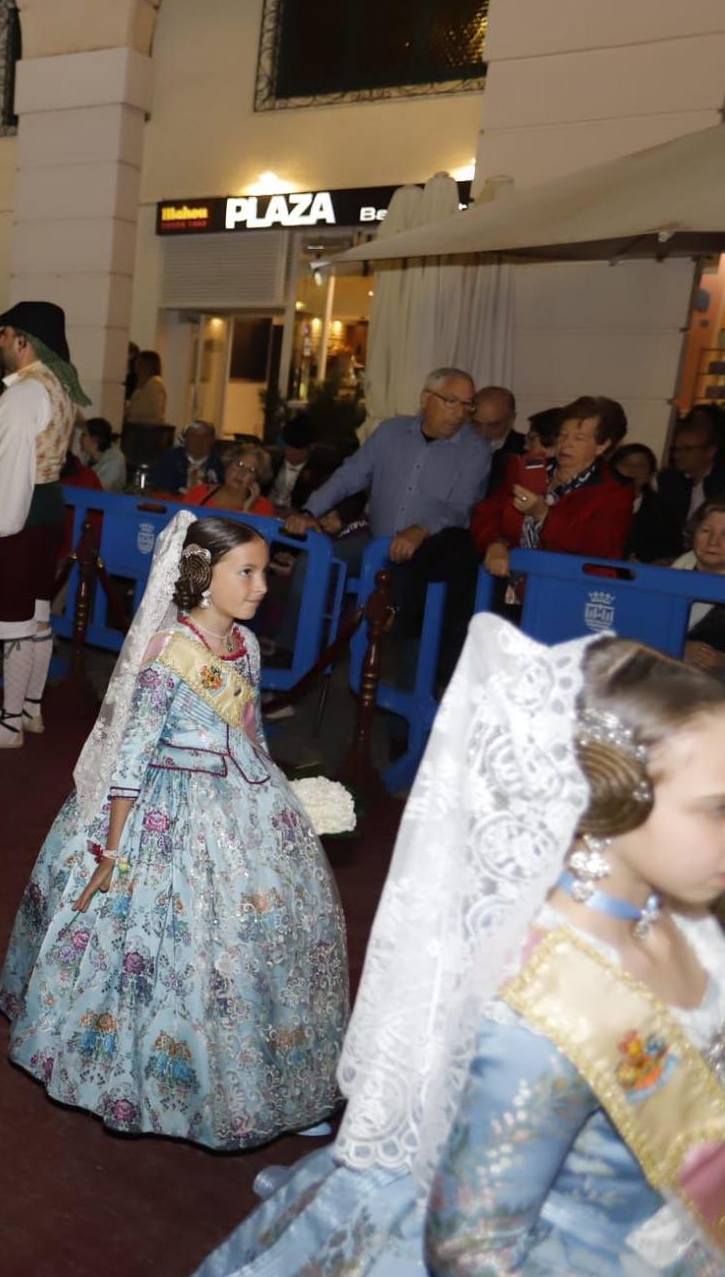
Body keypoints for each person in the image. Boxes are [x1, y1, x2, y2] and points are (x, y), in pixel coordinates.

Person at [197, 619, 725, 1276]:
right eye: (716, 809)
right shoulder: (543, 1012)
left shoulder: (692, 920)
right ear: (607, 797)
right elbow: (475, 1251)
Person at [0, 513, 347, 1149]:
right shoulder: (168, 654)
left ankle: (274, 1082)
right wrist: (111, 845)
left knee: (254, 939)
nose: (262, 585)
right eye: (246, 571)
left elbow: (251, 734)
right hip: (164, 807)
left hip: (239, 800)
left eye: (264, 571)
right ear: (200, 576)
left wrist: (283, 796)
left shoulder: (248, 646)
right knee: (160, 944)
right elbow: (131, 753)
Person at [284, 367, 492, 658]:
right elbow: (350, 475)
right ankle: (294, 661)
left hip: (426, 551)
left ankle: (400, 692)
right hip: (375, 539)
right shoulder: (391, 432)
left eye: (467, 404)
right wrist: (310, 511)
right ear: (425, 399)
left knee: (407, 622)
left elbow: (459, 508)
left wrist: (420, 530)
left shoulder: (475, 450)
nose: (459, 413)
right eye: (451, 401)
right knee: (312, 562)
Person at [0, 301, 91, 750]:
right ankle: (30, 708)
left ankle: (9, 724)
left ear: (23, 342)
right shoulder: (53, 386)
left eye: (3, 334)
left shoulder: (22, 395)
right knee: (35, 617)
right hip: (45, 511)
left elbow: (9, 472)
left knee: (13, 623)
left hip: (18, 519)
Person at [476, 395, 633, 584]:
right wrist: (495, 542)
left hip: (571, 589)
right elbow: (486, 512)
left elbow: (597, 546)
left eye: (579, 438)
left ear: (602, 445)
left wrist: (544, 515)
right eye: (562, 434)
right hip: (511, 582)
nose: (566, 444)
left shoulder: (614, 490)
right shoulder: (531, 467)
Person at [634, 414, 725, 562]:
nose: (678, 455)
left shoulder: (721, 483)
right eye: (676, 449)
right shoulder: (667, 480)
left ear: (710, 452)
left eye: (687, 449)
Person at [674, 499, 725, 675]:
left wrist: (721, 661)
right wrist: (678, 646)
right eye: (705, 531)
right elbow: (645, 627)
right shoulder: (676, 571)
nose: (713, 541)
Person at [472, 383, 523, 492]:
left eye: (494, 425)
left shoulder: (525, 452)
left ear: (512, 419)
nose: (483, 433)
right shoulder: (456, 446)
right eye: (476, 424)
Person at [151, 419, 222, 494]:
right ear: (185, 439)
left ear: (213, 440)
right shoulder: (169, 459)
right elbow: (158, 488)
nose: (199, 441)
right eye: (193, 436)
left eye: (205, 436)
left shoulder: (221, 464)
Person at [82, 416, 126, 492]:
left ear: (94, 439)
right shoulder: (85, 456)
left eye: (84, 434)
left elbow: (101, 488)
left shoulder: (116, 459)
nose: (80, 438)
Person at [125, 349, 167, 428]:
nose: (136, 366)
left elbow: (153, 409)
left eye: (139, 363)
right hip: (138, 426)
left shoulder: (155, 384)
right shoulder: (143, 383)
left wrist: (129, 411)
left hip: (148, 429)